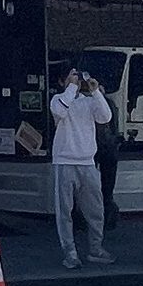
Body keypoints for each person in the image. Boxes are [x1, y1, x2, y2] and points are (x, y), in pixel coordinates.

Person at [50, 69, 115, 269]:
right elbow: (60, 111)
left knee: (95, 209)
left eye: (76, 76)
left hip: (87, 161)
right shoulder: (58, 99)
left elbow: (105, 117)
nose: (76, 80)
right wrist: (71, 87)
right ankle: (70, 252)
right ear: (63, 81)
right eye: (71, 76)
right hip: (64, 161)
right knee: (65, 211)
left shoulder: (88, 102)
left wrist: (96, 92)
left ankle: (96, 248)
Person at [95, 95, 122, 231]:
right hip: (109, 146)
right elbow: (114, 126)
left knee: (87, 187)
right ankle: (107, 219)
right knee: (107, 187)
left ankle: (85, 219)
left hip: (96, 147)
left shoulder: (89, 103)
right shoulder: (109, 103)